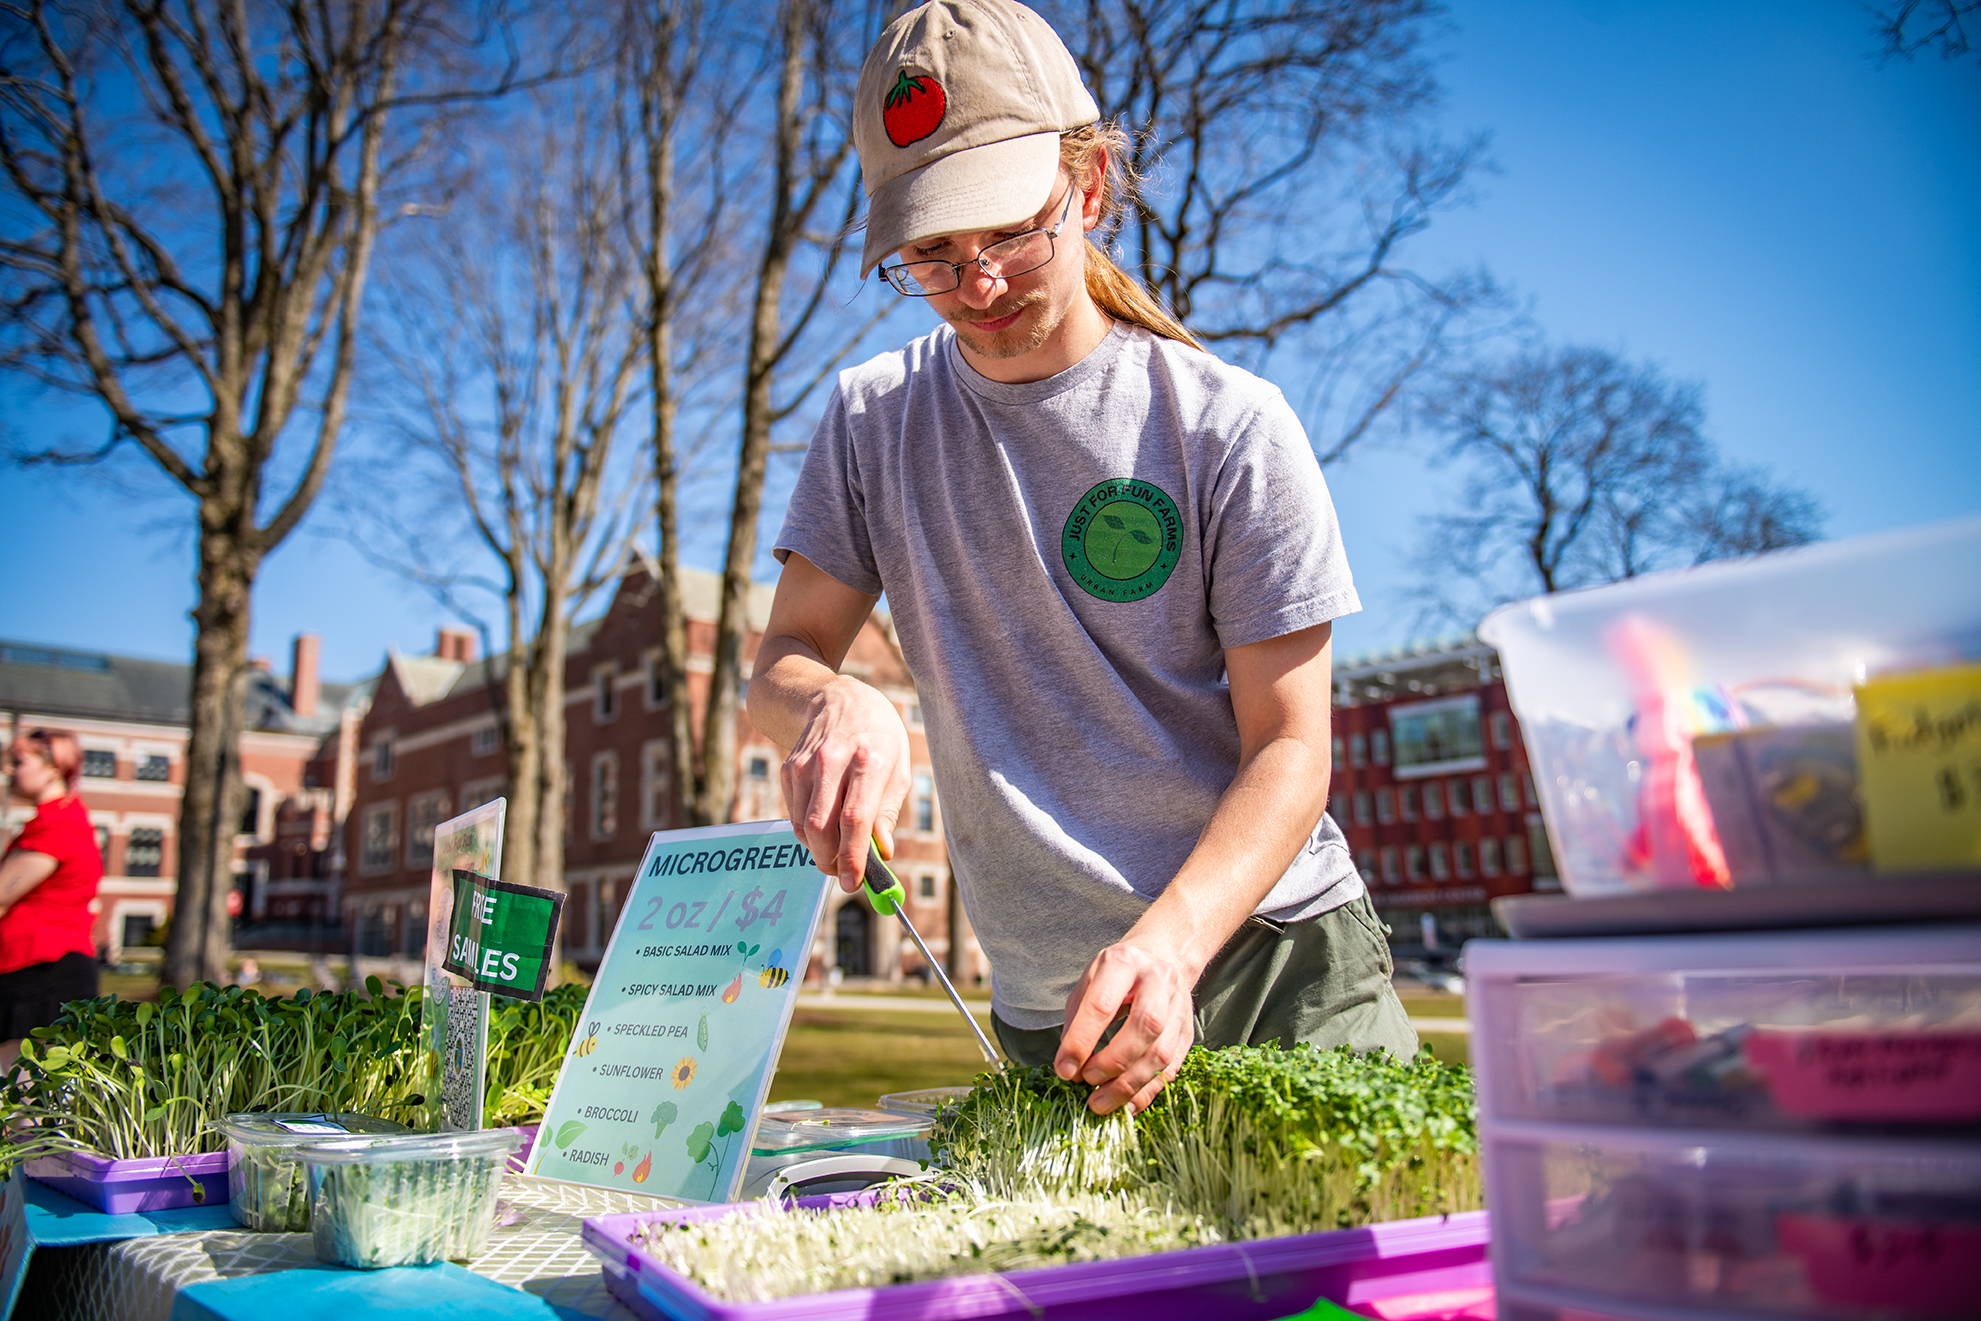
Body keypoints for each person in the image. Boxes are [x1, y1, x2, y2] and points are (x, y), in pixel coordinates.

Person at [746, 0, 1415, 1117]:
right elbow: (782, 655)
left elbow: (1292, 748)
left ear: (1089, 185)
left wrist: (1171, 944)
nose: (980, 286)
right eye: (930, 253)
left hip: (1273, 965)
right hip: (1050, 1013)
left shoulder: (1225, 426)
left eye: (1010, 231)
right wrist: (832, 699)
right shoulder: (871, 420)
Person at [1, 728, 103, 1071]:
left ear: (55, 767)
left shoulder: (61, 826)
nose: (9, 770)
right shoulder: (45, 824)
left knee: (20, 1099)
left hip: (43, 970)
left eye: (19, 762)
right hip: (28, 966)